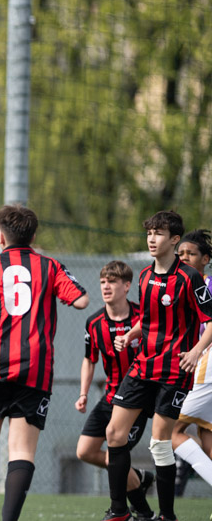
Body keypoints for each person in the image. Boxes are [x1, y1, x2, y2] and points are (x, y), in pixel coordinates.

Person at [0, 204, 89, 521]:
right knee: (21, 450)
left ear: (1, 237)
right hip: (34, 368)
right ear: (33, 237)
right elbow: (81, 300)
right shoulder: (50, 267)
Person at [104, 211, 212, 521]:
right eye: (149, 233)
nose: (152, 239)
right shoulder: (144, 276)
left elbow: (211, 319)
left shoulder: (189, 277)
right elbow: (149, 319)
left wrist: (196, 351)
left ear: (174, 239)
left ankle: (166, 515)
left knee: (160, 442)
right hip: (142, 366)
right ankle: (119, 510)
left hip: (174, 371)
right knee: (114, 433)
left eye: (159, 233)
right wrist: (131, 334)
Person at [75, 261, 154, 520]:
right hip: (110, 397)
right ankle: (138, 478)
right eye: (102, 282)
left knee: (115, 456)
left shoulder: (143, 317)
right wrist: (83, 394)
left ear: (127, 285)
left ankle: (138, 512)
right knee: (85, 451)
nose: (106, 287)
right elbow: (89, 359)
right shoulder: (94, 322)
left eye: (112, 281)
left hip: (136, 400)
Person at [171, 229, 212, 492]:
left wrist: (198, 351)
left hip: (207, 366)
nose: (184, 257)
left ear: (205, 259)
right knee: (207, 439)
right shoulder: (180, 285)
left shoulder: (207, 285)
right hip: (197, 367)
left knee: (168, 430)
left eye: (191, 253)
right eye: (181, 253)